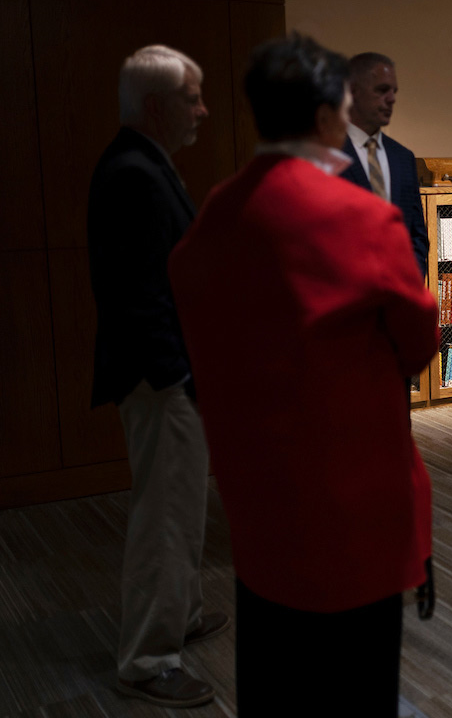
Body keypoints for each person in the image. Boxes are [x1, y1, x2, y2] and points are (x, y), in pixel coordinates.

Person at [168, 34, 439, 716]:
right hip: (353, 503)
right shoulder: (362, 219)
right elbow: (420, 339)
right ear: (328, 118)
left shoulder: (213, 220)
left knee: (277, 679)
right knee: (356, 686)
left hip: (256, 498)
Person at [87, 44, 227, 709]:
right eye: (192, 97)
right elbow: (139, 297)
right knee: (163, 519)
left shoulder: (147, 164)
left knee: (182, 508)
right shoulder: (134, 173)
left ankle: (184, 614)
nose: (203, 109)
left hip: (172, 375)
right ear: (154, 105)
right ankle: (146, 659)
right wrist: (180, 378)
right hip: (159, 379)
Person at [340, 51, 430, 272]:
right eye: (382, 90)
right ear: (353, 92)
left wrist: (410, 282)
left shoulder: (403, 158)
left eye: (394, 91)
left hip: (398, 297)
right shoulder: (324, 154)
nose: (392, 99)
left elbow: (417, 234)